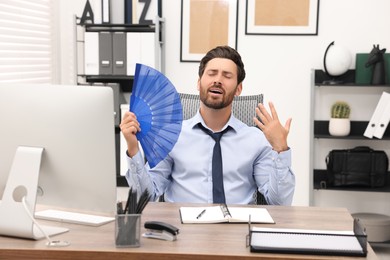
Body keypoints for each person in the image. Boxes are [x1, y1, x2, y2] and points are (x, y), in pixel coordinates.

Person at [120, 45, 295, 205]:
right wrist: (133, 148)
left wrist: (281, 149)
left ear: (238, 89)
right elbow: (145, 197)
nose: (218, 80)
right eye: (211, 73)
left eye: (227, 76)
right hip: (185, 232)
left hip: (237, 232)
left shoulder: (256, 140)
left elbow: (279, 204)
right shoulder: (172, 135)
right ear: (199, 83)